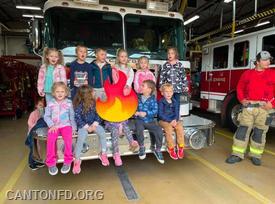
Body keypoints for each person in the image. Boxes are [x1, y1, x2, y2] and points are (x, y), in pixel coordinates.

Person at [226, 51, 275, 166]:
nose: (268, 62)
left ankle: (256, 155)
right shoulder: (247, 74)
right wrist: (242, 100)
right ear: (257, 62)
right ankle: (237, 154)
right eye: (265, 60)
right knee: (242, 130)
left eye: (269, 60)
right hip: (249, 108)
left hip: (265, 109)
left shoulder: (273, 74)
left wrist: (272, 104)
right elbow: (240, 88)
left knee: (260, 132)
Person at [73, 85, 109, 174]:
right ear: (87, 95)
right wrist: (86, 127)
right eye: (92, 92)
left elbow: (99, 114)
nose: (94, 93)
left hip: (94, 124)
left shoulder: (95, 103)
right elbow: (78, 118)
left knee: (102, 133)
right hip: (83, 126)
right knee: (81, 138)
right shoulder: (79, 105)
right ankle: (77, 159)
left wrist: (94, 124)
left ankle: (103, 153)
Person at [44, 82, 77, 175]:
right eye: (57, 91)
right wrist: (51, 125)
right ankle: (51, 162)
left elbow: (72, 116)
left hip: (66, 125)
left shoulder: (69, 103)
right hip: (53, 126)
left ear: (66, 92)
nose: (60, 93)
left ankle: (68, 161)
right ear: (53, 93)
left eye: (62, 91)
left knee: (68, 140)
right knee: (50, 140)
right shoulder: (50, 103)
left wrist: (74, 128)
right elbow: (46, 116)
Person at [135, 80, 164, 164]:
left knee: (158, 130)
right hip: (139, 120)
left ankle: (158, 149)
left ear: (149, 89)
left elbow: (155, 111)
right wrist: (136, 113)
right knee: (139, 128)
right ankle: (141, 146)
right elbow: (132, 108)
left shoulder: (152, 99)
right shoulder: (138, 98)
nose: (141, 87)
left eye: (143, 86)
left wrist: (146, 113)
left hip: (150, 120)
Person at [158, 83, 184, 160]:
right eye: (166, 91)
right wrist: (170, 121)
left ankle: (181, 146)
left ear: (173, 92)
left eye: (170, 91)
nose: (169, 93)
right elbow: (160, 114)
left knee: (180, 128)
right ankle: (171, 148)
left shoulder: (175, 101)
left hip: (174, 120)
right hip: (163, 120)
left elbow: (177, 112)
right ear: (162, 93)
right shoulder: (161, 102)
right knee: (169, 129)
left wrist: (175, 120)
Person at [26, 97, 46, 170]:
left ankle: (38, 161)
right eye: (40, 105)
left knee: (38, 148)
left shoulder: (43, 113)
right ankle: (31, 163)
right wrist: (36, 127)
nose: (41, 107)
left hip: (38, 134)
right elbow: (29, 123)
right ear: (36, 105)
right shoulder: (33, 113)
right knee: (32, 149)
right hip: (32, 134)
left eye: (43, 105)